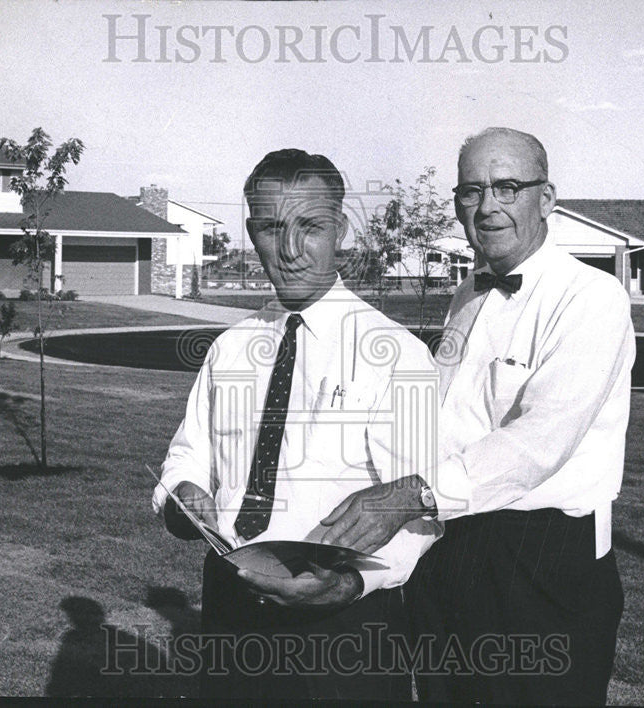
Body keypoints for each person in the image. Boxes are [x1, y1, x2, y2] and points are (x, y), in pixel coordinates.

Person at [320, 127, 635, 704]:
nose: (487, 206)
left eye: (507, 187)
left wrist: (405, 495)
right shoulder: (467, 293)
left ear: (546, 198)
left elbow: (540, 441)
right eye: (471, 191)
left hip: (542, 560)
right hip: (449, 542)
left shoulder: (592, 298)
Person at [152, 149, 441, 700]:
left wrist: (350, 582)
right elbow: (186, 456)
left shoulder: (395, 355)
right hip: (232, 611)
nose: (288, 250)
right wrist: (184, 494)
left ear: (341, 229)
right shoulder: (230, 348)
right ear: (250, 231)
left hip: (345, 622)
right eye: (271, 227)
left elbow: (419, 509)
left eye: (309, 227)